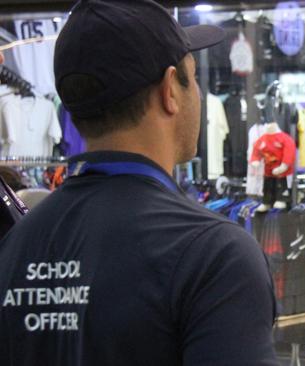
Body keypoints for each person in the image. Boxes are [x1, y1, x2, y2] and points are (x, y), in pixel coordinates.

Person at [0, 1, 279, 365]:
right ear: (170, 91)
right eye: (192, 78)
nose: (196, 92)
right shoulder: (214, 254)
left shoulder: (15, 246)